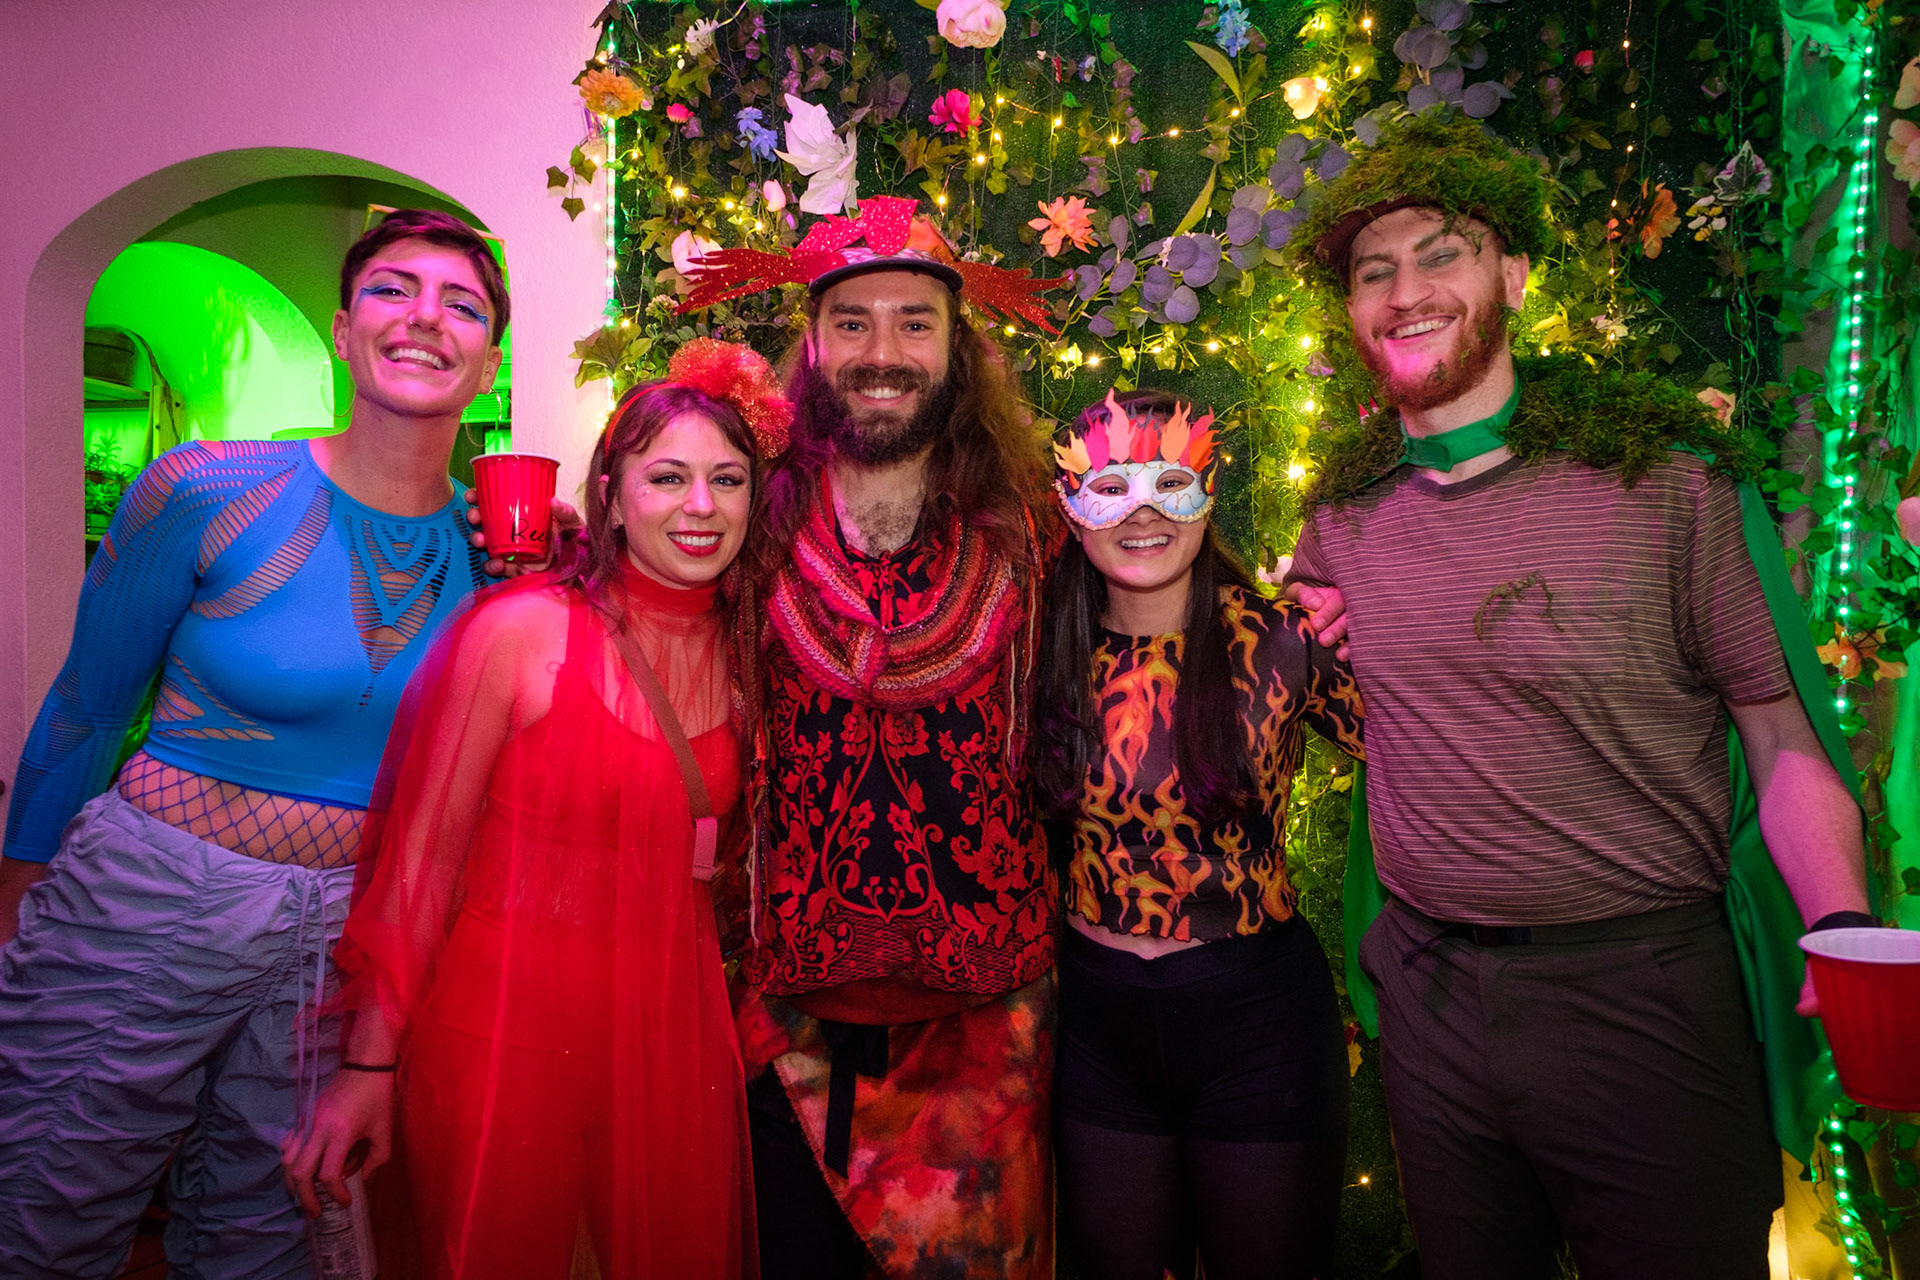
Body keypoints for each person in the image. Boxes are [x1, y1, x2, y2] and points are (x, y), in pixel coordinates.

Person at [1280, 114, 1874, 1279]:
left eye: (1441, 254)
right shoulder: (1342, 514)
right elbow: (1358, 706)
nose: (1405, 292)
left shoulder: (1667, 479)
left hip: (1640, 999)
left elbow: (1779, 730)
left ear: (1513, 273)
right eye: (1373, 271)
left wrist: (1840, 923)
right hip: (1432, 1001)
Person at [0, 209, 512, 1278]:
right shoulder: (206, 487)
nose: (426, 317)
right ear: (343, 329)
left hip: (349, 938)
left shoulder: (496, 557)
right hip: (150, 894)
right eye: (393, 289)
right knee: (45, 1200)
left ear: (488, 359)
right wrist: (16, 904)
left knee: (273, 1238)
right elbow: (87, 706)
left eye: (462, 304)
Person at [282, 340, 786, 1279]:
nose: (701, 506)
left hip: (667, 1042)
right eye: (667, 477)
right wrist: (367, 1066)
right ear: (612, 495)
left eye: (727, 480)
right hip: (505, 1036)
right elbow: (421, 866)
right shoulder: (522, 632)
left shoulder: (755, 653)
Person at [677, 196, 1062, 1279]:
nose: (882, 353)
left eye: (913, 323)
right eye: (852, 322)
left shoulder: (1036, 528)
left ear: (957, 347)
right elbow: (637, 595)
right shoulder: (745, 520)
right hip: (790, 1024)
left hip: (986, 1034)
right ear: (811, 343)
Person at [1032, 388, 1364, 1280]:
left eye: (1168, 482)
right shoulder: (1038, 652)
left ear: (1208, 492)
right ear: (1072, 508)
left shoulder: (1288, 640)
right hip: (1095, 1029)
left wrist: (1378, 604)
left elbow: (1430, 748)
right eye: (1112, 487)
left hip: (1259, 1026)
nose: (1141, 511)